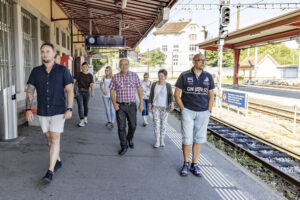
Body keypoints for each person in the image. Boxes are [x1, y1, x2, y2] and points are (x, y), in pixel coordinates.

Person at [26, 42, 74, 183]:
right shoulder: (36, 71)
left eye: (48, 51)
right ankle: (57, 159)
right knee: (48, 138)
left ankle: (50, 171)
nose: (45, 54)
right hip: (42, 111)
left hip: (58, 110)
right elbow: (30, 91)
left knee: (54, 138)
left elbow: (70, 90)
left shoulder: (63, 70)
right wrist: (28, 109)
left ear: (54, 54)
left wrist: (69, 108)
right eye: (42, 51)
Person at [174, 53, 214, 177]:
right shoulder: (184, 75)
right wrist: (183, 109)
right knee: (187, 139)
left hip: (203, 112)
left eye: (204, 60)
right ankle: (186, 163)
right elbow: (176, 94)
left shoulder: (208, 76)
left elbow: (211, 95)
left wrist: (209, 110)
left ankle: (194, 164)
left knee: (199, 139)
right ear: (194, 61)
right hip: (188, 111)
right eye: (200, 60)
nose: (203, 62)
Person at [109, 58, 144, 156]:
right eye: (122, 64)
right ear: (119, 66)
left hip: (132, 105)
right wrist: (114, 103)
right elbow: (111, 91)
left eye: (125, 64)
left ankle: (129, 139)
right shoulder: (115, 77)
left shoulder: (134, 76)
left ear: (128, 65)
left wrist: (141, 103)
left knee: (133, 125)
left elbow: (140, 89)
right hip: (120, 106)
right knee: (121, 127)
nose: (124, 66)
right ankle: (124, 145)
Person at [149, 69, 174, 148]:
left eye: (162, 76)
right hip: (155, 107)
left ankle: (162, 139)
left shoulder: (168, 85)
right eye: (159, 75)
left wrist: (172, 104)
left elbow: (170, 95)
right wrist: (149, 104)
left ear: (165, 77)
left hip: (164, 108)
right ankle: (157, 141)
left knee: (164, 124)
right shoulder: (154, 85)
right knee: (156, 124)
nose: (160, 77)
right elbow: (151, 95)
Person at [74, 62, 94, 127]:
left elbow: (91, 84)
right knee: (80, 105)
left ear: (88, 68)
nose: (85, 68)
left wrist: (92, 92)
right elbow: (73, 82)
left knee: (86, 105)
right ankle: (81, 120)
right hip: (79, 92)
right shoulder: (78, 74)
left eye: (86, 67)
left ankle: (85, 117)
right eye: (83, 66)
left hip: (86, 92)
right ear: (81, 67)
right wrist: (71, 91)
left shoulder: (90, 75)